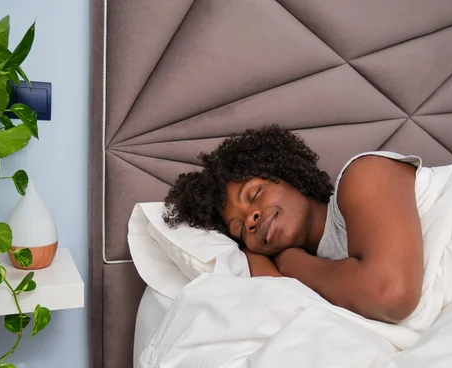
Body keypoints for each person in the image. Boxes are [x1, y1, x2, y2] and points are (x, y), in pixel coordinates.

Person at [164, 125, 424, 324]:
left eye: (255, 194)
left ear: (289, 176)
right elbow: (286, 312)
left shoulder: (364, 174)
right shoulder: (301, 270)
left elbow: (391, 296)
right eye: (241, 229)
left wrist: (292, 262)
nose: (251, 218)